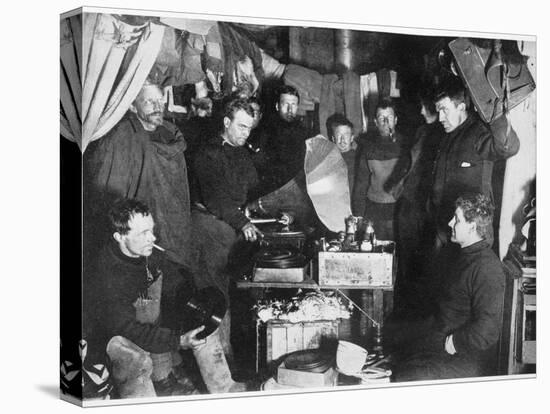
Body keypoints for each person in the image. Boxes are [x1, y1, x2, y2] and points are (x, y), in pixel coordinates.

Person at [84, 199, 247, 397]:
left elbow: (175, 281)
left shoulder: (147, 252)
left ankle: (225, 389)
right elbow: (129, 329)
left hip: (138, 318)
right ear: (120, 236)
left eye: (151, 230)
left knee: (204, 324)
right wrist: (177, 340)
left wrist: (196, 309)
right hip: (103, 337)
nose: (152, 238)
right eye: (143, 233)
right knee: (134, 359)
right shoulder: (109, 276)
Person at [392, 193, 506, 381]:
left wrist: (454, 342)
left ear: (472, 226)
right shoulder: (461, 255)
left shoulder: (487, 268)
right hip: (440, 340)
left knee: (404, 376)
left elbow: (487, 331)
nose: (450, 223)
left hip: (462, 356)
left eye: (457, 219)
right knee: (395, 351)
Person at [85, 79, 192, 270]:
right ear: (133, 107)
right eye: (149, 102)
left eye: (160, 101)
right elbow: (108, 193)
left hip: (172, 227)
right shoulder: (120, 137)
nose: (158, 107)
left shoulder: (171, 134)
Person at [191, 97, 264, 359]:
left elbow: (251, 185)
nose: (246, 133)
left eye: (249, 128)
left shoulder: (241, 151)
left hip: (227, 228)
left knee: (227, 294)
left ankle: (226, 354)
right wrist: (243, 221)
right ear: (226, 122)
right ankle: (217, 361)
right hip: (208, 229)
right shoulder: (208, 153)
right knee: (215, 300)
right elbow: (216, 200)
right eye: (242, 127)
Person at [429, 76, 520, 251]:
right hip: (445, 229)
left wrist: (493, 110)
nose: (440, 118)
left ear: (461, 107)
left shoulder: (478, 133)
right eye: (438, 111)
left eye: (444, 110)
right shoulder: (448, 135)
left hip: (472, 235)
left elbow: (508, 147)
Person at [393, 93, 445, 317]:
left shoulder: (443, 135)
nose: (422, 112)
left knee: (424, 261)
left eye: (426, 107)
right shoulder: (422, 131)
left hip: (425, 206)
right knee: (406, 257)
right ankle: (407, 310)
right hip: (410, 201)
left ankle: (419, 313)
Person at [352, 98, 411, 240]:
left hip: (399, 212)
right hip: (374, 213)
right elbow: (361, 185)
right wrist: (358, 216)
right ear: (375, 122)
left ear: (396, 120)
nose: (385, 122)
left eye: (389, 117)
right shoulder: (367, 148)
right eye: (381, 118)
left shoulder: (408, 146)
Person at [254, 85, 311, 192]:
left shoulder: (303, 132)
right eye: (285, 104)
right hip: (270, 188)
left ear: (297, 107)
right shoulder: (266, 130)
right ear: (277, 106)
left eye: (293, 104)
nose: (290, 109)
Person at [326, 113, 361, 194]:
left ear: (352, 138)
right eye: (339, 135)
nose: (342, 140)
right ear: (333, 138)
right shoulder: (327, 160)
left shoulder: (359, 159)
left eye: (346, 135)